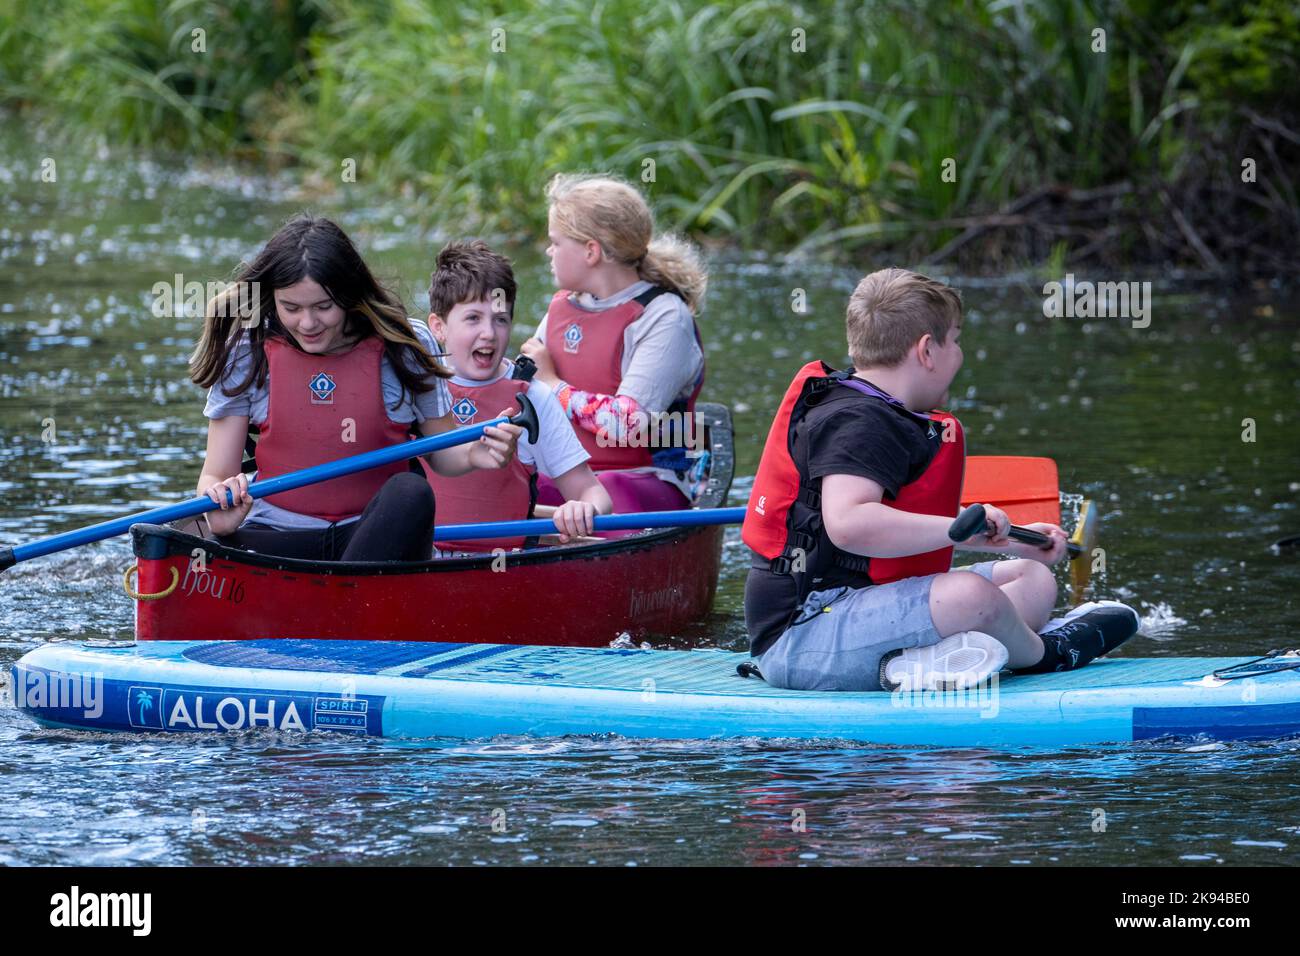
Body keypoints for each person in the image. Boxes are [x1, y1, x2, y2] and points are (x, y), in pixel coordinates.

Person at [742, 267, 1138, 692]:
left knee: (1032, 577)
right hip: (803, 636)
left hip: (862, 610)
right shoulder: (859, 423)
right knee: (971, 596)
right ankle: (1045, 655)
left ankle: (936, 658)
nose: (960, 352)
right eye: (957, 338)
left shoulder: (885, 413)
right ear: (928, 350)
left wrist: (1000, 537)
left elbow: (901, 537)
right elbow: (849, 523)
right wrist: (957, 530)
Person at [188, 215, 521, 561]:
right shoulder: (246, 351)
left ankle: (343, 599)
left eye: (323, 307)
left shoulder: (405, 344)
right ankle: (338, 599)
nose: (308, 323)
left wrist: (475, 454)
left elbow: (443, 452)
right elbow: (215, 473)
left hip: (371, 539)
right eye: (291, 308)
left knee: (412, 491)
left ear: (348, 296)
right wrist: (219, 509)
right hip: (274, 536)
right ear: (274, 299)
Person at [520, 173, 708, 515]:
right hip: (573, 479)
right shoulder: (562, 308)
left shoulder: (665, 317)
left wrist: (553, 386)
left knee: (608, 490)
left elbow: (627, 424)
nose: (549, 251)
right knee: (508, 483)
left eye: (556, 242)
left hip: (647, 479)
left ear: (591, 251)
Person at [425, 240, 612, 552]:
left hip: (501, 568)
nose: (489, 333)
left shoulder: (532, 396)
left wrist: (582, 509)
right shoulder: (416, 385)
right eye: (473, 318)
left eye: (500, 319)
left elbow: (593, 493)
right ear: (438, 327)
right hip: (416, 564)